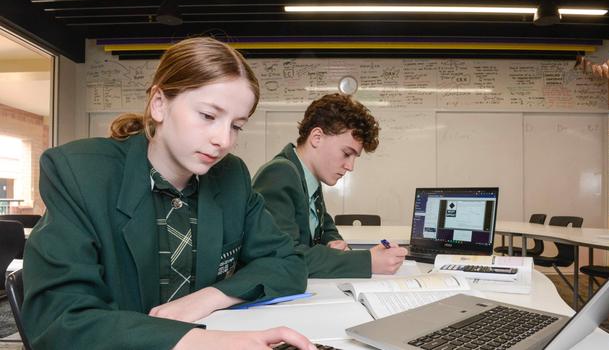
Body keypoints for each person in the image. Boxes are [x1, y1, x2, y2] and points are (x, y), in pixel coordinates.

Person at [22, 37, 315, 350]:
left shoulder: (232, 176)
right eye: (208, 115)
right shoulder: (79, 172)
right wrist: (199, 342)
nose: (224, 140)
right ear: (159, 104)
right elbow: (59, 320)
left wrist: (209, 298)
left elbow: (288, 261)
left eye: (237, 126)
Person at [253, 93, 407, 278]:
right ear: (317, 137)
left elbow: (327, 229)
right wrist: (368, 261)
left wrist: (336, 246)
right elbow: (284, 256)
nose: (350, 166)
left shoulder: (309, 179)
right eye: (346, 153)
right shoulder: (279, 174)